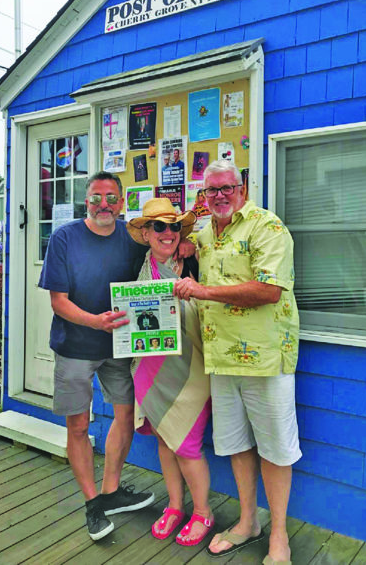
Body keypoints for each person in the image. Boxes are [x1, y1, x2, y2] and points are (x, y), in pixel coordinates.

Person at [174, 160, 301, 565]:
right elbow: (175, 233)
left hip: (265, 357)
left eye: (227, 187)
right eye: (211, 190)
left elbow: (269, 290)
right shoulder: (206, 232)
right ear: (204, 195)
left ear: (242, 188)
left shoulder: (267, 226)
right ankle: (248, 522)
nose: (220, 196)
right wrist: (180, 242)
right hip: (221, 356)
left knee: (276, 448)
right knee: (236, 445)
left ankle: (279, 535)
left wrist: (202, 291)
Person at [38, 171, 157, 541]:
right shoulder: (64, 238)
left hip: (120, 348)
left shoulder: (133, 238)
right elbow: (58, 302)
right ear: (85, 201)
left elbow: (161, 249)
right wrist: (95, 322)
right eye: (95, 197)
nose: (103, 204)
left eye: (110, 198)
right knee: (78, 426)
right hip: (75, 347)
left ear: (121, 203)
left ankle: (111, 491)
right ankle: (92, 503)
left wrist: (184, 246)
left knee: (125, 415)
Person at [127, 198, 214, 547]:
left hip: (190, 366)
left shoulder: (195, 259)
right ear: (146, 233)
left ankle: (203, 511)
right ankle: (176, 506)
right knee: (164, 438)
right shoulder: (142, 266)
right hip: (150, 366)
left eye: (173, 226)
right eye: (159, 226)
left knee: (188, 444)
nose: (167, 233)